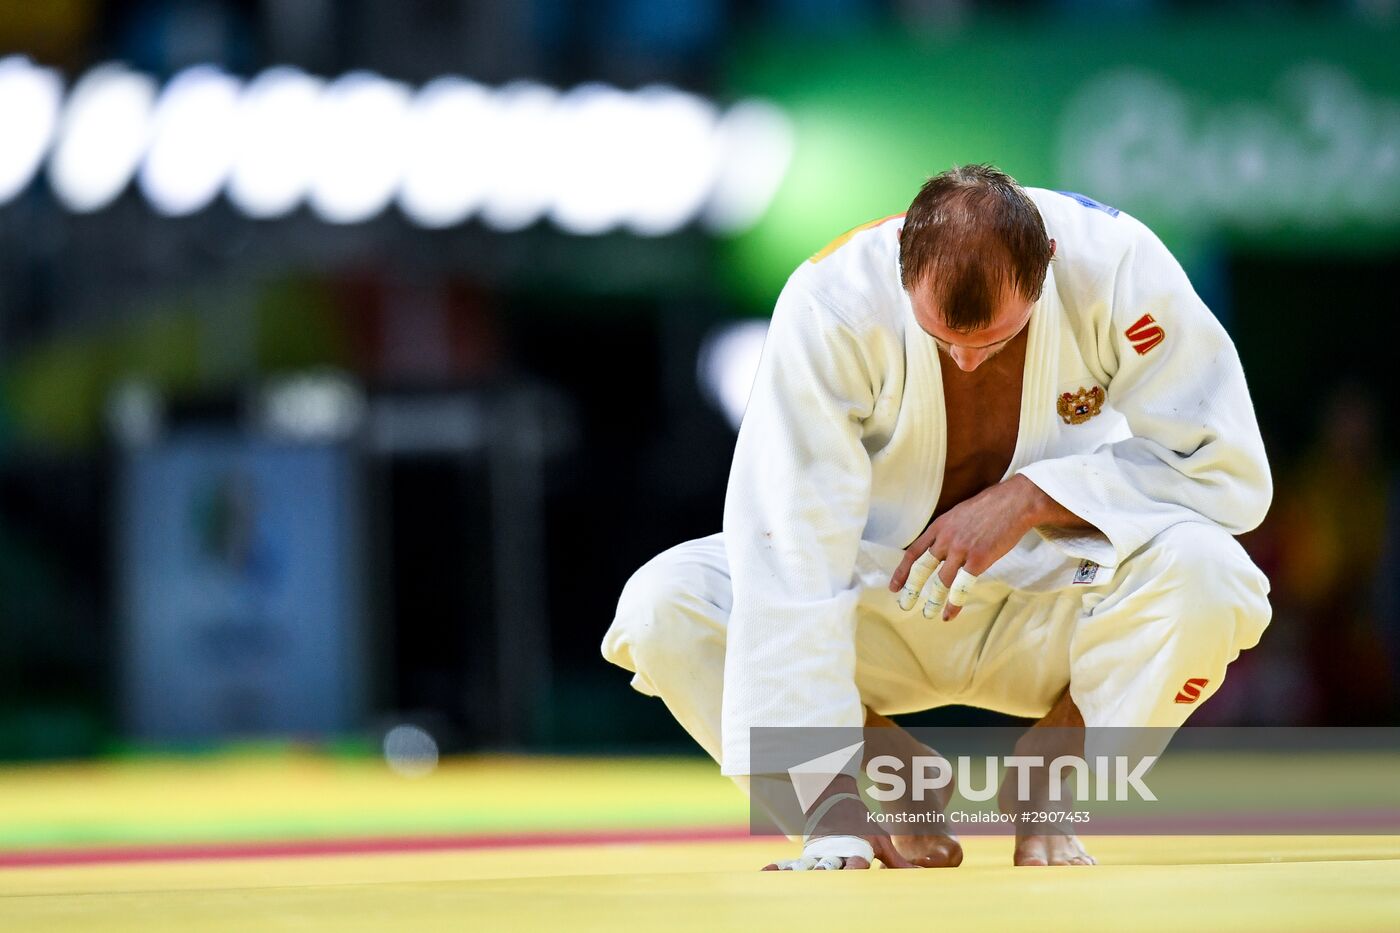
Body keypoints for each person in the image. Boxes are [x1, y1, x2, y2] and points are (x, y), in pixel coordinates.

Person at [602, 165, 1273, 869]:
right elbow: (789, 542)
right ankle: (890, 778)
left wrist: (1032, 497)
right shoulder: (833, 302)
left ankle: (1052, 783)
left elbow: (1228, 473)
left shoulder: (1116, 266)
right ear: (901, 267)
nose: (968, 359)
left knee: (1214, 577)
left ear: (1045, 262)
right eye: (943, 336)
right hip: (875, 598)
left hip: (1054, 600)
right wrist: (829, 812)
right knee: (664, 606)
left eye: (997, 339)